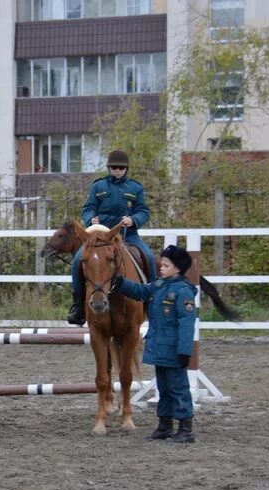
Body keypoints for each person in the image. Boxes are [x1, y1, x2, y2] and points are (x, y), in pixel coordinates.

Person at [111, 245, 197, 444]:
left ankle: (186, 428)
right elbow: (140, 291)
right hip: (160, 348)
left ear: (177, 269)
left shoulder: (183, 292)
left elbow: (186, 324)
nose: (161, 267)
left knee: (178, 388)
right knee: (164, 389)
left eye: (166, 265)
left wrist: (184, 352)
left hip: (174, 351)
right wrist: (121, 283)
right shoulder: (158, 285)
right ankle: (164, 425)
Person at [67, 149, 156, 325]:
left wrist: (133, 219)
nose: (117, 170)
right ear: (109, 168)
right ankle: (78, 306)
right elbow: (88, 208)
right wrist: (90, 218)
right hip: (99, 237)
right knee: (77, 260)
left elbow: (143, 211)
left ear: (126, 169)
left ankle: (152, 302)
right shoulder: (98, 187)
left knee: (150, 257)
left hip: (127, 235)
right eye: (114, 167)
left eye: (121, 168)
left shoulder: (136, 188)